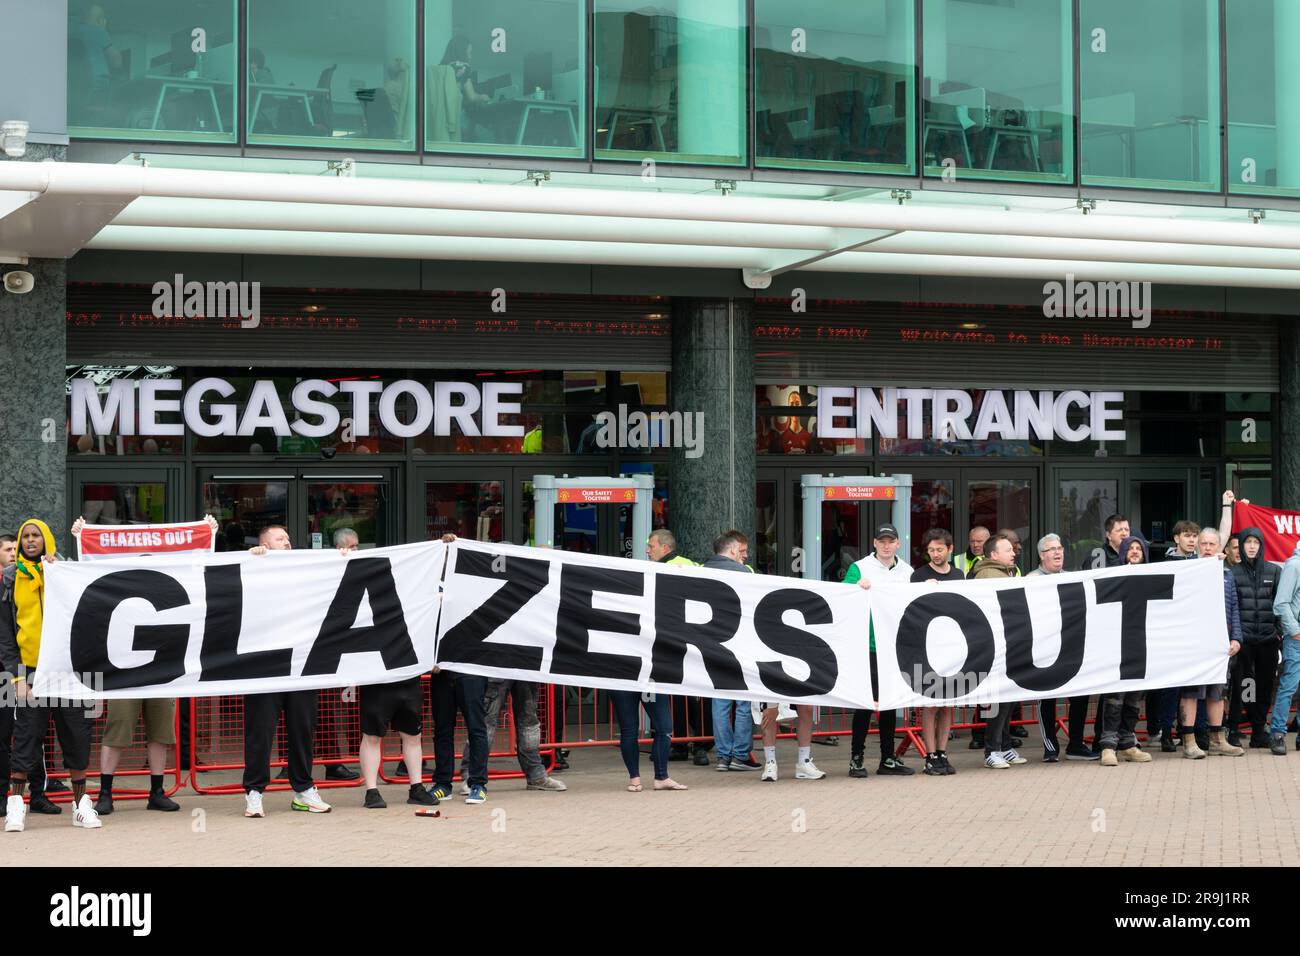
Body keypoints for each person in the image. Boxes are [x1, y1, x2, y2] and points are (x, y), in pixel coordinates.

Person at [1, 519, 101, 832]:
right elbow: (6, 635)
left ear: (46, 540)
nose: (31, 541)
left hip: (67, 671)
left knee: (75, 737)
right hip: (29, 673)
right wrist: (15, 679)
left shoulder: (63, 571)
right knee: (27, 739)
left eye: (36, 536)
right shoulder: (8, 578)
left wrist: (64, 565)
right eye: (25, 537)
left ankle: (82, 806)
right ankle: (16, 807)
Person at [328, 529, 437, 810]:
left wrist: (443, 545)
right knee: (372, 735)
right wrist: (341, 560)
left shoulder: (411, 593)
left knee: (412, 735)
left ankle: (416, 786)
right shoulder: (357, 587)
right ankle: (372, 791)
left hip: (406, 671)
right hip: (376, 673)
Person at [241, 526, 331, 817]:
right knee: (261, 731)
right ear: (264, 543)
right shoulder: (254, 567)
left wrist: (344, 558)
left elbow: (334, 578)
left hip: (301, 664)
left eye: (289, 539)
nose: (288, 543)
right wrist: (252, 559)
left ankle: (303, 789)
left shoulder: (302, 571)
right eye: (281, 539)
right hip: (264, 665)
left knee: (303, 730)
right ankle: (254, 792)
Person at [843, 524, 915, 778]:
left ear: (898, 543)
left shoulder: (908, 571)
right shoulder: (859, 568)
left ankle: (887, 758)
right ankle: (856, 758)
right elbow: (842, 599)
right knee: (864, 703)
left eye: (890, 541)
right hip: (867, 645)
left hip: (894, 646)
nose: (886, 545)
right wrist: (855, 587)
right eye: (882, 541)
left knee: (889, 704)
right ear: (874, 543)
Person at [1173, 529, 1244, 759]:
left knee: (1217, 692)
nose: (1207, 547)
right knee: (1191, 692)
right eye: (1203, 543)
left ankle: (1217, 740)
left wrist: (1236, 638)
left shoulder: (1227, 573)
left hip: (1220, 645)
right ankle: (1189, 741)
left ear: (1219, 548)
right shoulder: (1187, 570)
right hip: (1193, 644)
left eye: (1212, 544)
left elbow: (1233, 607)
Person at [1028, 533, 1096, 762]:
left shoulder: (1073, 579)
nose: (1057, 553)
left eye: (1060, 548)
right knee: (1046, 698)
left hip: (1070, 648)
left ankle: (1076, 744)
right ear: (1041, 555)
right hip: (1043, 651)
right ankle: (1050, 747)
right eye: (1051, 550)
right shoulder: (1031, 580)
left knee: (1080, 695)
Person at [648, 530, 711, 766]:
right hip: (684, 638)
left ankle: (691, 743)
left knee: (685, 695)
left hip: (682, 639)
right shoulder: (683, 563)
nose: (647, 550)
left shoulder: (674, 565)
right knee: (686, 694)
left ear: (665, 548)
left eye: (651, 546)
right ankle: (692, 743)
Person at [969, 534, 1029, 769]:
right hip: (996, 647)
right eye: (1007, 550)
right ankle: (992, 749)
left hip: (1006, 644)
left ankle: (1003, 746)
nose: (1013, 553)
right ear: (993, 555)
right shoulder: (990, 575)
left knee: (1007, 699)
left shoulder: (1006, 572)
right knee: (998, 700)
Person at [702, 531, 761, 771]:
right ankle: (740, 755)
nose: (745, 556)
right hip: (741, 642)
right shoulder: (744, 573)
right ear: (734, 549)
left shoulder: (701, 570)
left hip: (711, 643)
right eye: (744, 551)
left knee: (720, 701)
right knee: (744, 701)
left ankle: (723, 756)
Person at [1096, 535, 1155, 768]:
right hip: (1116, 644)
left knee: (1134, 697)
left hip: (1141, 644)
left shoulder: (1152, 577)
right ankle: (1108, 746)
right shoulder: (1112, 576)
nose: (1134, 551)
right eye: (1129, 548)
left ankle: (1128, 743)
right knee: (1115, 697)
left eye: (1139, 548)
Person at [911, 529, 962, 775]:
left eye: (939, 549)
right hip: (928, 647)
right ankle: (929, 755)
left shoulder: (959, 575)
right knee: (930, 704)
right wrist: (921, 589)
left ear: (950, 549)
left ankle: (942, 752)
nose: (935, 554)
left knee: (947, 704)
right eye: (931, 550)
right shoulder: (918, 575)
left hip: (952, 647)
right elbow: (910, 609)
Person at [1228, 526, 1279, 748]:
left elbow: (1280, 603)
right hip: (1245, 641)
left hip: (1268, 640)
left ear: (1261, 545)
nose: (1251, 546)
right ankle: (1250, 728)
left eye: (1255, 542)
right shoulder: (1232, 573)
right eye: (1247, 542)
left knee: (1266, 686)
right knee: (1246, 685)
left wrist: (1278, 632)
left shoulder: (1274, 571)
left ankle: (1259, 731)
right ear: (1241, 546)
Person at [1268, 541, 1300, 755]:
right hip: (1296, 637)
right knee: (1289, 685)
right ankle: (1277, 733)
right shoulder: (1295, 565)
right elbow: (1281, 602)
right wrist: (1295, 630)